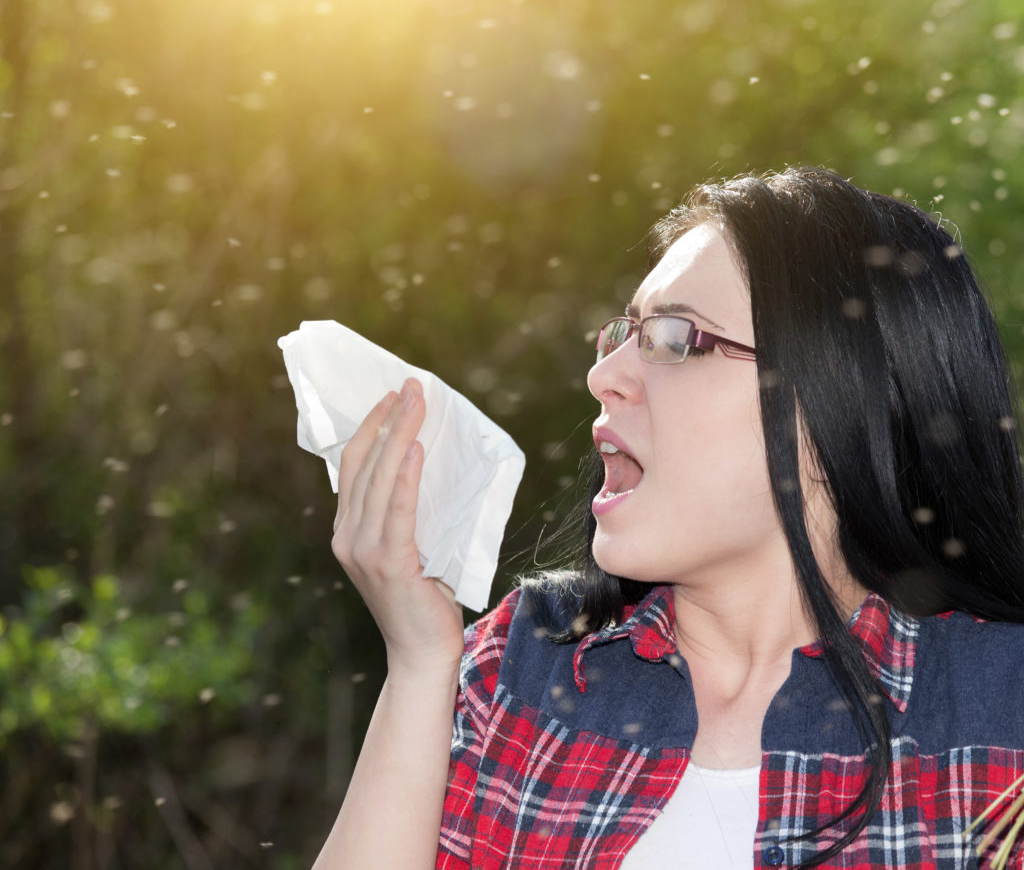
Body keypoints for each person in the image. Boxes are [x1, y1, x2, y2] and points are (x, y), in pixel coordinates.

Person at [312, 167, 1024, 869]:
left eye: (677, 338)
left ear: (843, 397)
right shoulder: (519, 669)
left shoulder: (1003, 713)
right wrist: (417, 663)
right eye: (625, 333)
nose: (603, 375)